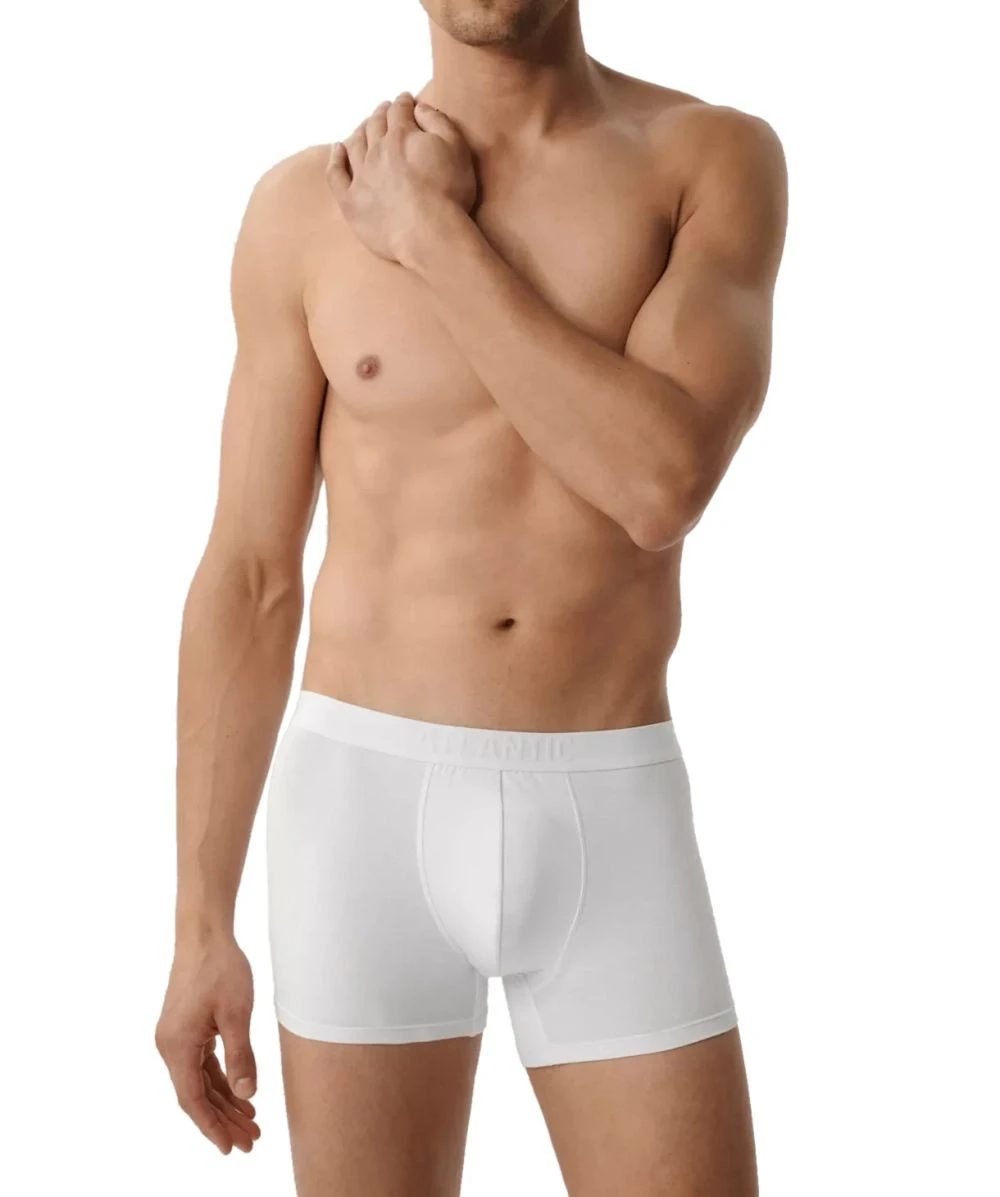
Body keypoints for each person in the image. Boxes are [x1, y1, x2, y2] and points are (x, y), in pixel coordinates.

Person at [154, 1, 787, 1192]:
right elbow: (249, 577)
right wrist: (199, 925)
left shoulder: (704, 160)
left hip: (609, 803)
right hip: (362, 810)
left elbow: (658, 485)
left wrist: (433, 235)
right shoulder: (301, 211)